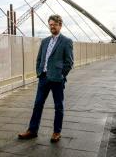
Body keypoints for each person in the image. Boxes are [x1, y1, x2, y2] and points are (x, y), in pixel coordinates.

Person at [18, 14, 74, 142]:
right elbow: (39, 59)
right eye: (50, 25)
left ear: (60, 25)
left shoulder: (66, 42)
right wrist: (39, 71)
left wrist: (61, 75)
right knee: (38, 104)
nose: (52, 27)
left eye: (54, 24)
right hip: (43, 78)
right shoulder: (45, 41)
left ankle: (56, 132)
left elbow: (69, 62)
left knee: (58, 106)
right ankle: (32, 130)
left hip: (57, 80)